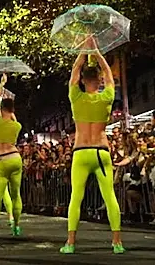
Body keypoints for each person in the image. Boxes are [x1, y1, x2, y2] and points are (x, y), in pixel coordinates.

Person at [60, 39, 124, 254]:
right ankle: (116, 242)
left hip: (81, 152)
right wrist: (96, 51)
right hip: (101, 151)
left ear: (82, 81)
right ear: (98, 80)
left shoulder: (76, 97)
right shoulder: (106, 96)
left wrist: (83, 50)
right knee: (110, 196)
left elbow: (74, 72)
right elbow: (108, 73)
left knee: (75, 197)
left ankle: (70, 243)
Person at [0, 73, 23, 238]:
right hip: (15, 158)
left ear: (0, 110)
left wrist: (1, 85)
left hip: (0, 161)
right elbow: (13, 118)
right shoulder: (17, 126)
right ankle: (16, 225)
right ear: (13, 110)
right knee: (16, 194)